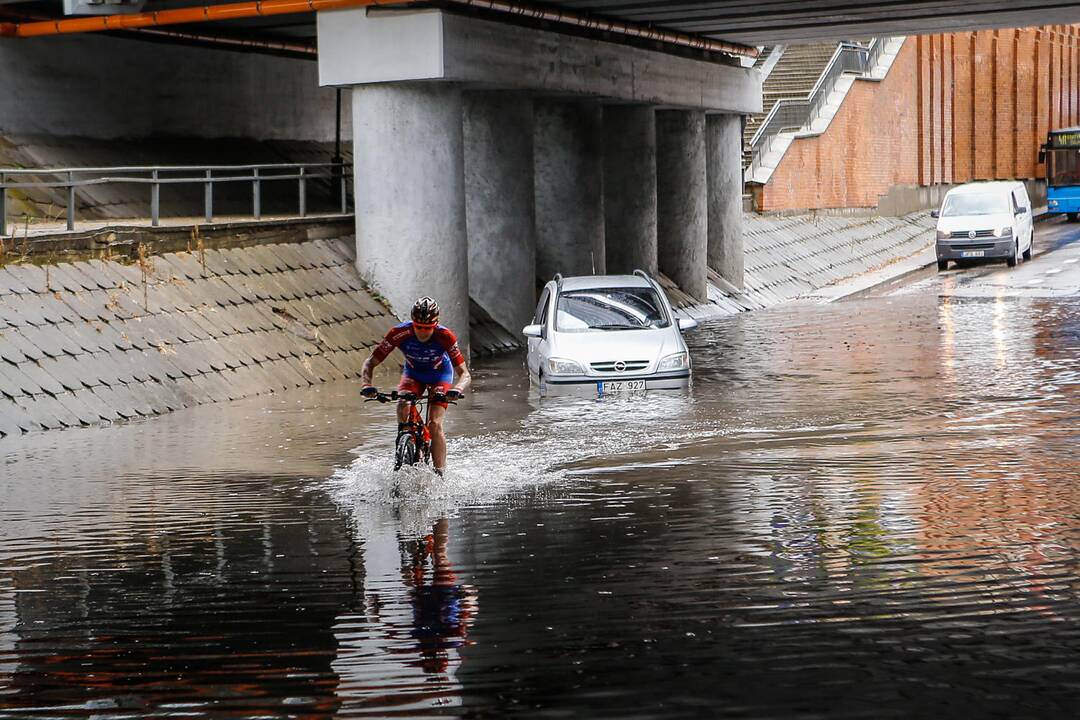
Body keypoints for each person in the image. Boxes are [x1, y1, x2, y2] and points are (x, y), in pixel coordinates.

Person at [361, 297, 471, 475]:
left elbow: (465, 374)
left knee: (435, 423)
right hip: (413, 375)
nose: (422, 332)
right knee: (403, 404)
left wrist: (457, 390)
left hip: (440, 375)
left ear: (435, 324)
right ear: (412, 323)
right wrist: (367, 384)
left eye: (427, 328)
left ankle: (440, 475)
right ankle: (409, 440)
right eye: (418, 327)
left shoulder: (445, 336)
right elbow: (370, 362)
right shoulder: (399, 332)